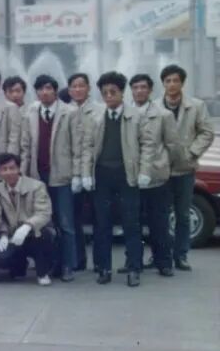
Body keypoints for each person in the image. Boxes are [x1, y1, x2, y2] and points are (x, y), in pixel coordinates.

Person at [80, 72, 155, 287]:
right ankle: (103, 268)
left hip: (127, 175)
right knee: (102, 224)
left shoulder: (135, 116)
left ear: (122, 93)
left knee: (131, 223)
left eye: (113, 92)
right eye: (105, 93)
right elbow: (88, 147)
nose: (109, 96)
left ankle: (134, 268)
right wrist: (86, 173)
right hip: (102, 176)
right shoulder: (96, 117)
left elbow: (148, 145)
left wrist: (145, 171)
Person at [19, 75, 80, 281]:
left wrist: (77, 174)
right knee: (44, 222)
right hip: (37, 176)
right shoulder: (30, 113)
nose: (44, 92)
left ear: (55, 91)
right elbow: (25, 146)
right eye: (40, 89)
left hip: (62, 175)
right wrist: (23, 173)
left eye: (48, 88)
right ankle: (50, 264)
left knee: (65, 223)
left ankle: (68, 265)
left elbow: (77, 146)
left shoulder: (69, 112)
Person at [160, 64, 214, 271]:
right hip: (161, 170)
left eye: (176, 80)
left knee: (182, 215)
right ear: (163, 84)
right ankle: (160, 253)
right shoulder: (154, 106)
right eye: (168, 81)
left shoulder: (196, 106)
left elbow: (207, 132)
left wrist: (192, 152)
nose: (172, 84)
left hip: (185, 169)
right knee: (159, 215)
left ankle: (181, 255)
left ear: (182, 83)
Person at [129, 73, 176, 277]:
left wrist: (163, 165)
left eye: (143, 87)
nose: (139, 91)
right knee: (133, 223)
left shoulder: (164, 115)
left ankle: (163, 261)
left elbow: (172, 145)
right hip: (131, 178)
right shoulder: (125, 112)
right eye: (135, 87)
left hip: (156, 177)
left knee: (159, 223)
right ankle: (134, 261)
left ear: (150, 90)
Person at [0, 153, 54, 285]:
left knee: (44, 235)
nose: (8, 172)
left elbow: (44, 213)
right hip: (13, 234)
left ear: (19, 168)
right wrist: (3, 234)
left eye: (12, 168)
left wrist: (27, 226)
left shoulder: (37, 186)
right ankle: (20, 265)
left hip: (35, 232)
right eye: (4, 169)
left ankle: (42, 272)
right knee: (1, 259)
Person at [67, 72, 101, 271]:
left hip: (95, 174)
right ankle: (78, 259)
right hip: (72, 174)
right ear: (69, 90)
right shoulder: (65, 111)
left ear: (89, 88)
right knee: (74, 219)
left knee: (99, 219)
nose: (78, 89)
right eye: (74, 86)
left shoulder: (100, 111)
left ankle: (99, 262)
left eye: (82, 86)